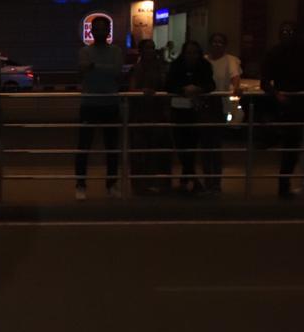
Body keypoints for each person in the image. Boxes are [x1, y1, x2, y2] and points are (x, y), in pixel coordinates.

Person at [75, 15, 124, 199]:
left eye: (104, 29)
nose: (101, 32)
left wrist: (94, 66)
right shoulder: (84, 51)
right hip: (89, 104)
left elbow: (117, 70)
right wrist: (103, 68)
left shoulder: (116, 50)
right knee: (83, 147)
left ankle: (111, 184)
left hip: (110, 104)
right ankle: (80, 184)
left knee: (112, 148)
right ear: (92, 31)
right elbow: (83, 68)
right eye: (98, 29)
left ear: (108, 31)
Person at [261, 21, 304, 199]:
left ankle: (287, 184)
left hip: (301, 102)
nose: (287, 35)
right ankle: (284, 184)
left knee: (294, 145)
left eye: (290, 32)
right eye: (284, 32)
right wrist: (276, 94)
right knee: (290, 144)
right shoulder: (274, 53)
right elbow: (265, 81)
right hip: (285, 103)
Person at [166, 39, 215, 193]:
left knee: (192, 144)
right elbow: (168, 85)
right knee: (181, 144)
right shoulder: (176, 66)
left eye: (194, 52)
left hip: (196, 110)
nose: (192, 56)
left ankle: (187, 177)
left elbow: (211, 84)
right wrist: (183, 89)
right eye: (189, 52)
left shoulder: (205, 66)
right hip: (179, 109)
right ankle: (190, 177)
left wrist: (198, 89)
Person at [128, 38, 170, 194]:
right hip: (141, 112)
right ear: (141, 51)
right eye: (147, 48)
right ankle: (140, 183)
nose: (150, 51)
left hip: (158, 111)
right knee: (140, 149)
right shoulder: (137, 69)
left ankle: (157, 182)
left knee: (157, 147)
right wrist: (142, 91)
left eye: (152, 48)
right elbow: (131, 89)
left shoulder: (162, 68)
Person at [201, 33, 242, 193]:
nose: (217, 45)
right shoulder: (204, 60)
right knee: (205, 145)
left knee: (216, 145)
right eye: (214, 42)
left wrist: (236, 88)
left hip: (219, 104)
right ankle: (207, 180)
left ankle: (216, 181)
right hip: (205, 104)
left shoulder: (231, 60)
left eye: (220, 42)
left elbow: (235, 77)